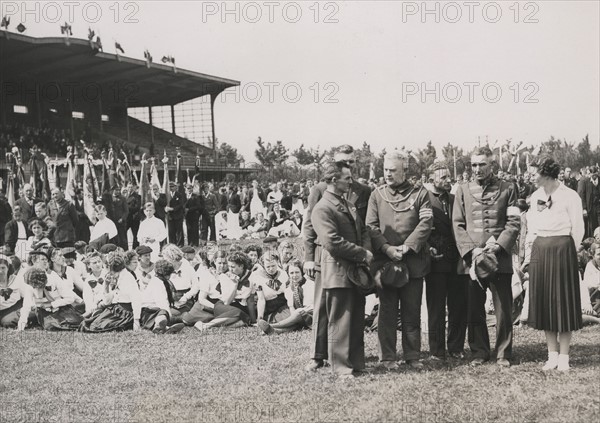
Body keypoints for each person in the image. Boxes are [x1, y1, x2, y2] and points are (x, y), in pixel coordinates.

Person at [303, 144, 372, 372]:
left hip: (352, 261)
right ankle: (324, 357)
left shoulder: (356, 195)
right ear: (333, 176)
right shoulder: (321, 196)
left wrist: (363, 253)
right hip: (330, 260)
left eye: (352, 163)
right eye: (345, 167)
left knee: (349, 313)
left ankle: (351, 360)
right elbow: (319, 232)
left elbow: (363, 227)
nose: (350, 176)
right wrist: (309, 257)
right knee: (329, 311)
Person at [453, 146, 520, 367]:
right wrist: (472, 251)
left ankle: (503, 353)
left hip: (499, 258)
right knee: (474, 308)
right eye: (473, 164)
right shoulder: (462, 190)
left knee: (503, 310)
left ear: (491, 164)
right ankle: (479, 351)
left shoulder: (508, 188)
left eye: (482, 164)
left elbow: (513, 222)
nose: (477, 169)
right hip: (472, 259)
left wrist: (499, 246)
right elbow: (458, 224)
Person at [366, 150, 433, 370]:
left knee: (411, 311)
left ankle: (412, 355)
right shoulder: (377, 194)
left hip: (413, 262)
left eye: (393, 170)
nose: (388, 174)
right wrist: (386, 248)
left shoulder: (420, 193)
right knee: (387, 311)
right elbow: (371, 227)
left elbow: (425, 224)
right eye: (385, 170)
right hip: (386, 263)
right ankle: (387, 357)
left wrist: (406, 247)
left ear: (405, 170)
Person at [524, 157, 584, 371]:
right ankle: (552, 355)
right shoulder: (535, 197)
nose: (530, 175)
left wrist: (567, 250)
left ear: (546, 172)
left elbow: (578, 229)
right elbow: (532, 226)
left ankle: (565, 357)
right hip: (541, 247)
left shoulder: (570, 196)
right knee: (545, 301)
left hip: (562, 249)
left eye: (533, 171)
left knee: (562, 300)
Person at [424, 163, 466, 360]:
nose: (448, 180)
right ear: (432, 179)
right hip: (435, 260)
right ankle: (437, 350)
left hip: (456, 259)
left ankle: (456, 347)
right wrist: (427, 249)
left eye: (449, 176)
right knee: (436, 307)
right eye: (443, 177)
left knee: (458, 305)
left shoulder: (455, 199)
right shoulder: (424, 200)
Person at [80, 250, 141, 332]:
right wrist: (106, 285)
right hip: (115, 309)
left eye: (105, 266)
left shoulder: (127, 277)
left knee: (95, 327)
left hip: (125, 313)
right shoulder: (113, 276)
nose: (103, 267)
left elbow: (136, 299)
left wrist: (136, 321)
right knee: (87, 324)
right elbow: (107, 301)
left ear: (110, 267)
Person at [257, 259, 315, 335]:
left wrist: (298, 313)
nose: (294, 275)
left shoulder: (310, 284)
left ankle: (271, 326)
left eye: (297, 272)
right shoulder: (288, 290)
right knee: (295, 319)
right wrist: (294, 317)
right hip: (299, 317)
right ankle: (274, 331)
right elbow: (292, 308)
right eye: (291, 273)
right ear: (288, 274)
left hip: (312, 315)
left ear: (302, 272)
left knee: (299, 312)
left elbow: (311, 306)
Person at [139, 259, 185, 334]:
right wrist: (168, 315)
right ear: (166, 275)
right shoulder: (158, 284)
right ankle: (162, 326)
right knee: (163, 313)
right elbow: (162, 303)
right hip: (149, 311)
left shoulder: (159, 281)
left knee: (177, 315)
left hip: (154, 309)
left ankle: (163, 326)